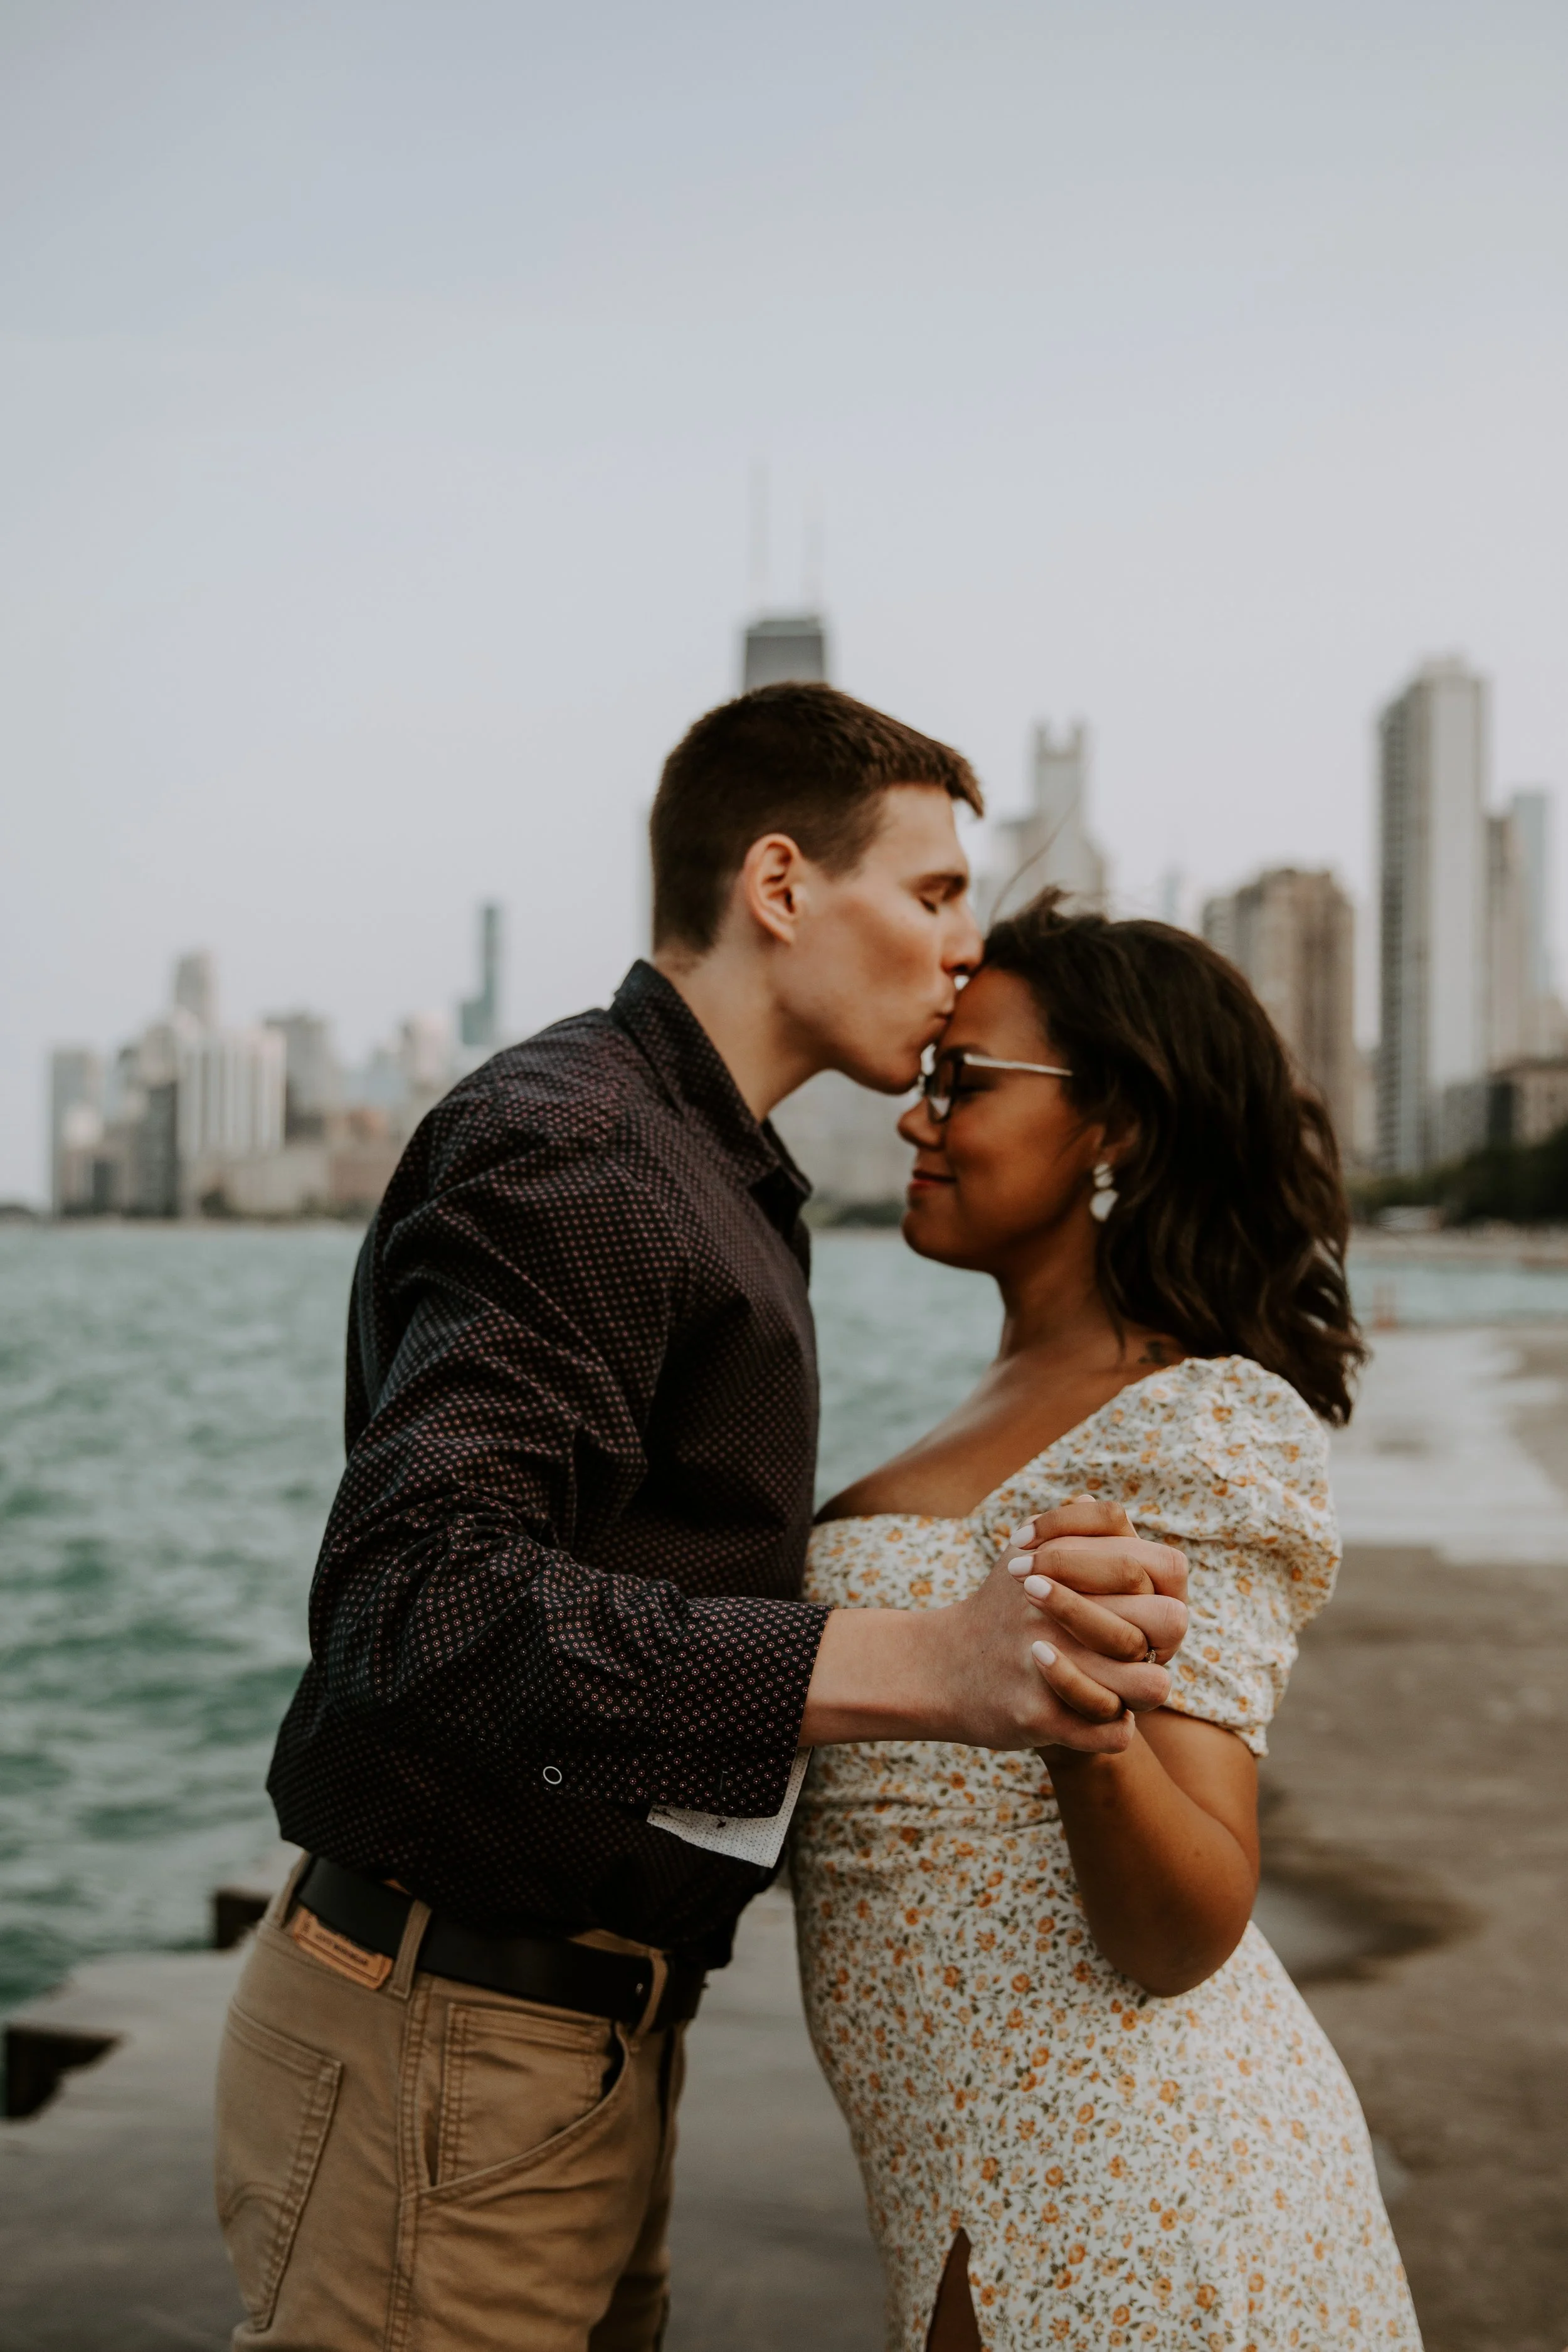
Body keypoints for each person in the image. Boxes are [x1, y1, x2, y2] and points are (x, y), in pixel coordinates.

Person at [212, 687, 1189, 2352]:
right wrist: (930, 1660)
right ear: (781, 884)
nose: (963, 945)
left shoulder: (701, 1167)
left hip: (566, 2038)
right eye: (936, 891)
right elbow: (419, 1604)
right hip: (455, 2029)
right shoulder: (583, 1149)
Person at [792, 892, 1422, 2351]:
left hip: (1125, 2184)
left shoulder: (1196, 1423)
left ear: (1113, 1127)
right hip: (965, 2162)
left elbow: (1186, 1920)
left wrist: (1075, 1724)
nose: (915, 1117)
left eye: (966, 1081)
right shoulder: (1004, 1401)